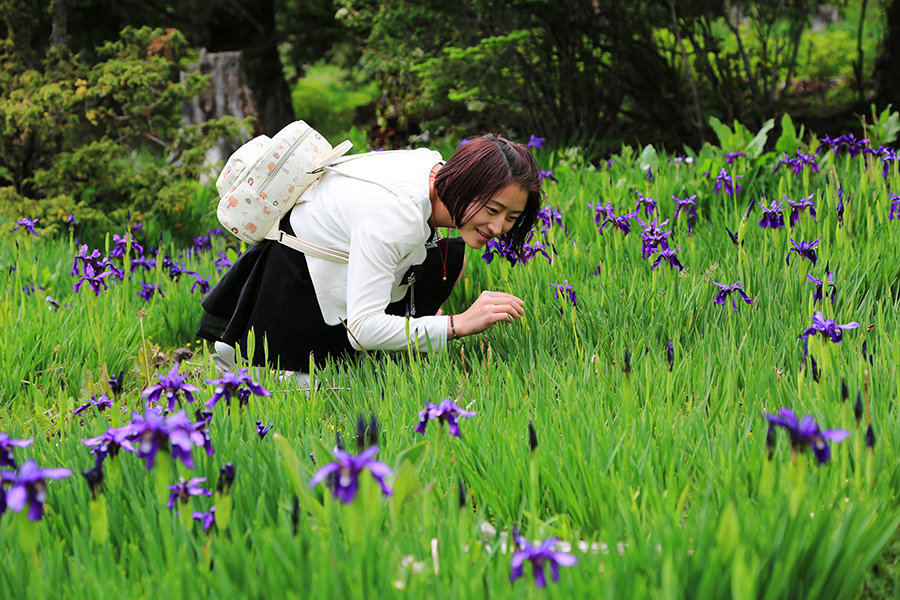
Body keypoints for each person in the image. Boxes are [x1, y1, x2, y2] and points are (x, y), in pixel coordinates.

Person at [196, 134, 542, 378]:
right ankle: (266, 365)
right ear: (466, 183)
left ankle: (408, 323)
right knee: (338, 382)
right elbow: (362, 330)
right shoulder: (397, 215)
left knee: (450, 260)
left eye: (512, 217)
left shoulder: (431, 165)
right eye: (493, 209)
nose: (499, 227)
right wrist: (457, 324)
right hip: (287, 303)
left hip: (315, 265)